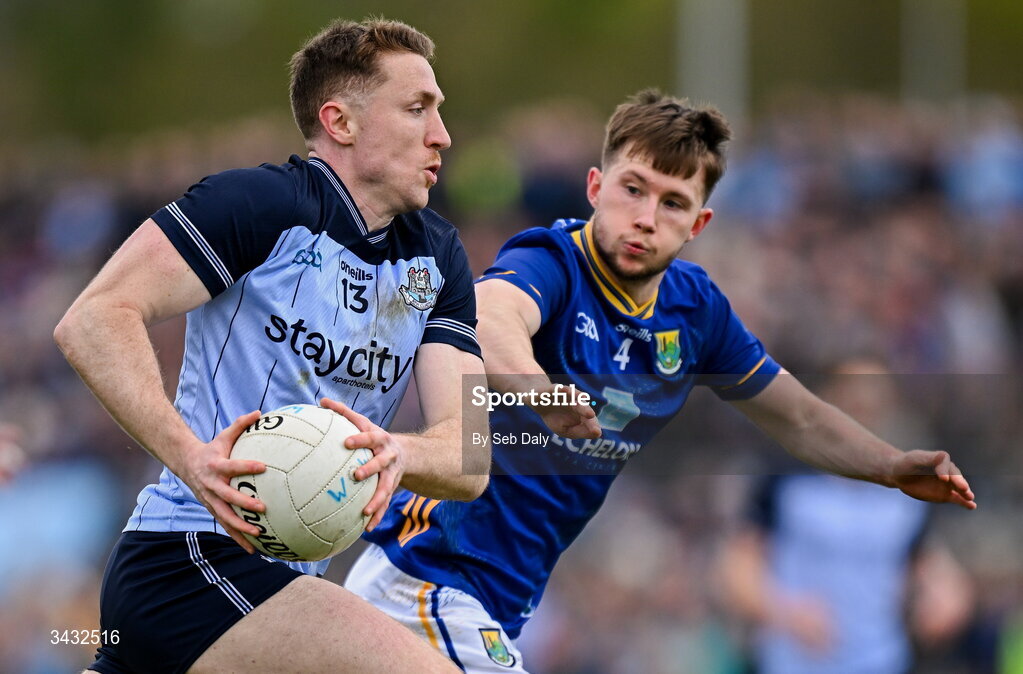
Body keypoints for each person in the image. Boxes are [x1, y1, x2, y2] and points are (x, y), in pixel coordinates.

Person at [343, 89, 977, 673]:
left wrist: (891, 467)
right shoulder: (554, 261)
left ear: (697, 224)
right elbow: (494, 316)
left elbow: (800, 417)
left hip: (492, 604)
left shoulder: (694, 312)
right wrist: (538, 390)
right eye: (633, 189)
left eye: (673, 202)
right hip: (424, 580)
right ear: (595, 187)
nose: (646, 216)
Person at [54, 18, 487, 674]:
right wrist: (191, 458)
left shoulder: (438, 258)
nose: (441, 135)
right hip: (190, 560)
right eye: (416, 108)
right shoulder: (259, 203)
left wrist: (398, 451)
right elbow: (94, 318)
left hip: (279, 579)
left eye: (440, 111)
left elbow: (470, 455)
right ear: (340, 122)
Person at [719, 357, 975, 674]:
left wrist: (946, 597)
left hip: (881, 660)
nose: (865, 403)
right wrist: (783, 613)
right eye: (854, 391)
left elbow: (931, 565)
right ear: (829, 397)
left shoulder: (907, 489)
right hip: (792, 661)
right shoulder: (786, 476)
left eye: (875, 395)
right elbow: (738, 567)